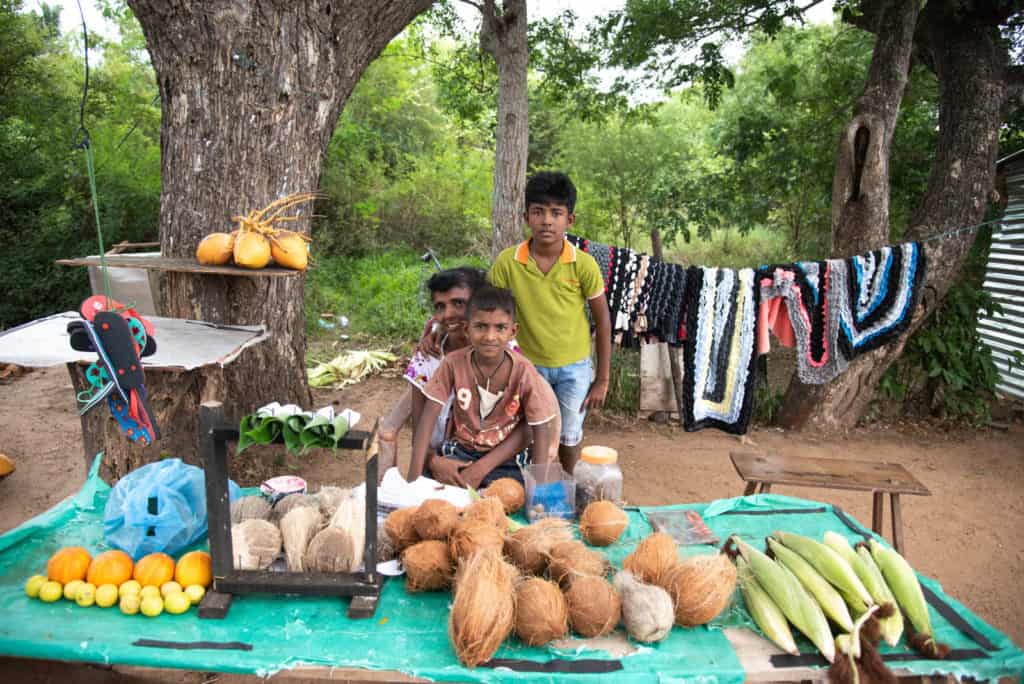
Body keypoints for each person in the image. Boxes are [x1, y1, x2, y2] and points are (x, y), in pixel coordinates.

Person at [489, 171, 612, 475]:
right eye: (539, 212)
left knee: (569, 433)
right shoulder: (508, 262)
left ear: (570, 219)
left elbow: (603, 320)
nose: (547, 221)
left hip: (574, 368)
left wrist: (602, 379)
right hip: (526, 366)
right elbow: (490, 314)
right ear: (526, 216)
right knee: (527, 430)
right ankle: (527, 487)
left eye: (556, 213)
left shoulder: (583, 264)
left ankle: (570, 485)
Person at [406, 286, 557, 489]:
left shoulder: (524, 370)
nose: (490, 337)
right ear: (467, 329)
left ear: (513, 332)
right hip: (461, 451)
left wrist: (539, 490)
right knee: (433, 487)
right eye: (481, 327)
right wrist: (412, 483)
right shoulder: (453, 363)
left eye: (500, 328)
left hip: (508, 459)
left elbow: (539, 428)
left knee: (508, 496)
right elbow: (427, 419)